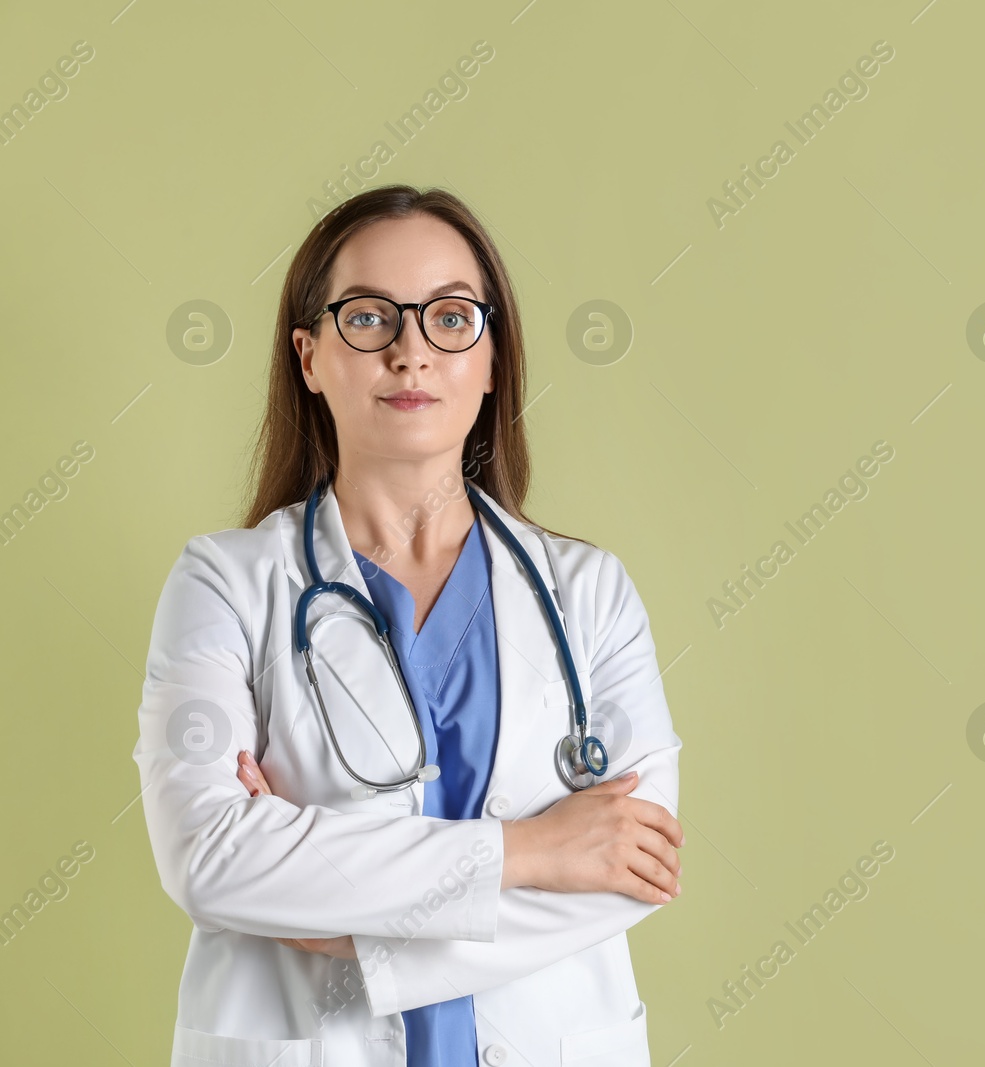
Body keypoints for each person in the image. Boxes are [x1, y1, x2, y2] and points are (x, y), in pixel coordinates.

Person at [132, 184, 684, 1067]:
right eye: (369, 318)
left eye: (451, 317)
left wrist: (355, 936)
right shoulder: (226, 582)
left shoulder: (590, 593)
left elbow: (633, 866)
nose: (411, 351)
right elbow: (211, 857)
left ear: (494, 356)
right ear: (309, 355)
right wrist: (531, 849)